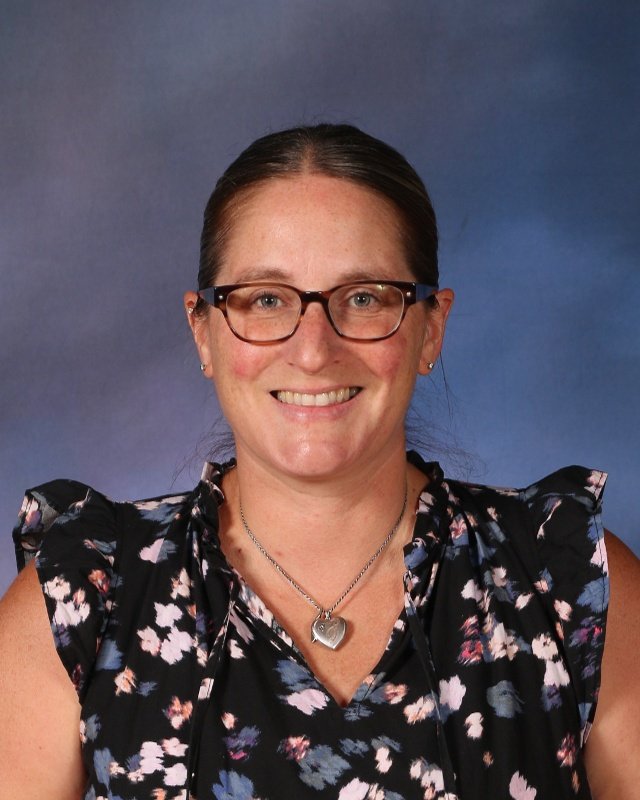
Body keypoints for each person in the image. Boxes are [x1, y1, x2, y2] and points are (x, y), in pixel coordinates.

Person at [0, 124, 638, 800]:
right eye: (266, 299)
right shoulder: (82, 601)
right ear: (203, 331)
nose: (312, 351)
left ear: (431, 328)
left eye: (362, 297)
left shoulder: (569, 585)